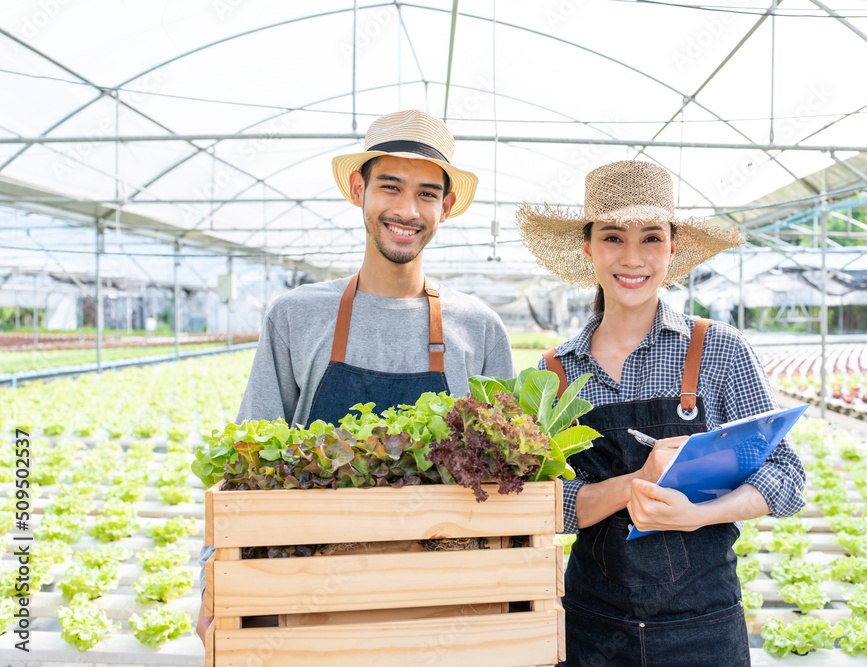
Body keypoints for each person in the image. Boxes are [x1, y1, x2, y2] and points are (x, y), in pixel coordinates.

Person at [196, 109, 516, 644]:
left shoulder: (479, 328)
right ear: (358, 188)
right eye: (389, 186)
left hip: (446, 610)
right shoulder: (296, 317)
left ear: (448, 205)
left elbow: (512, 488)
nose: (407, 210)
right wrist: (214, 580)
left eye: (427, 194)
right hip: (311, 605)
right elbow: (246, 466)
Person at [515, 160, 805, 666]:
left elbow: (786, 478)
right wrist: (635, 484)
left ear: (673, 249)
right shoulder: (554, 374)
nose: (632, 257)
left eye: (651, 238)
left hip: (703, 627)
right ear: (588, 248)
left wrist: (699, 515)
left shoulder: (718, 350)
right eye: (612, 237)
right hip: (592, 628)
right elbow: (550, 506)